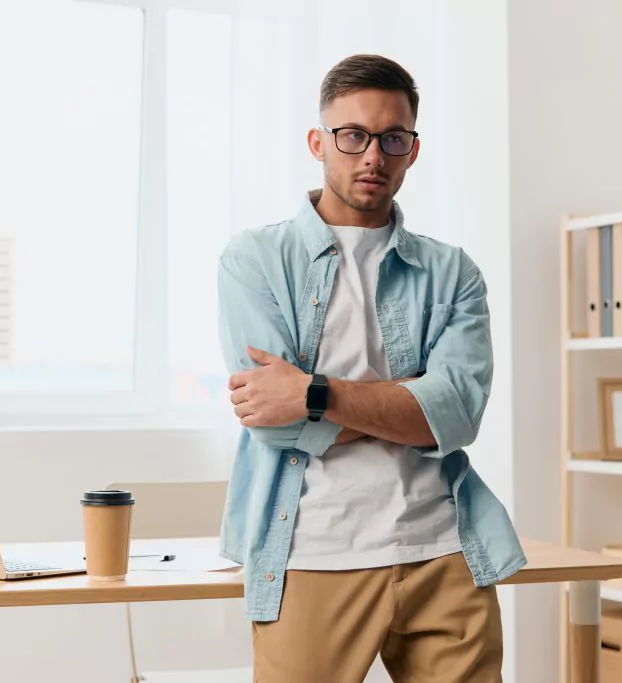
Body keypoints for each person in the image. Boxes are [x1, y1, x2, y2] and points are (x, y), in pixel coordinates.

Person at [215, 54, 525, 683]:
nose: (372, 157)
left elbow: (458, 414)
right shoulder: (254, 260)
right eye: (353, 135)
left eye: (393, 138)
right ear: (318, 141)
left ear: (413, 148)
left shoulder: (453, 272)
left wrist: (314, 393)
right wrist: (410, 407)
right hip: (313, 554)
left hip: (446, 552)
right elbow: (272, 424)